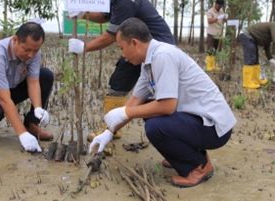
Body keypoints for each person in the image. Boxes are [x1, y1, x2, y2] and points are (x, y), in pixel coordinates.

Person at [89, 17, 237, 188]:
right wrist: (109, 131)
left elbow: (167, 106)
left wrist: (125, 113)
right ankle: (183, 155)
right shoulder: (148, 64)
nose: (122, 55)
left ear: (134, 43)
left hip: (215, 127)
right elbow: (135, 102)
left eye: (122, 48)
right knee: (149, 115)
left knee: (155, 126)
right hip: (198, 120)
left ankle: (200, 167)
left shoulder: (163, 56)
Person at [68, 0, 175, 114]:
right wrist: (84, 14)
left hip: (158, 47)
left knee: (151, 91)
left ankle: (112, 126)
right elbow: (105, 17)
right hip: (139, 45)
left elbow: (111, 36)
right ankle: (112, 126)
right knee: (120, 81)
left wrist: (84, 47)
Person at [0, 22, 54, 152]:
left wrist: (38, 108)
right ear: (15, 40)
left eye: (35, 50)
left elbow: (33, 82)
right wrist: (22, 135)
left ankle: (32, 124)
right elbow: (4, 100)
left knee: (45, 76)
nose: (31, 55)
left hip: (10, 86)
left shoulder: (34, 52)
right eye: (27, 50)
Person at [238, 22, 275, 89]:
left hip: (252, 39)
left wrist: (270, 58)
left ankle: (255, 80)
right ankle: (247, 82)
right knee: (251, 59)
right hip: (246, 35)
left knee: (255, 59)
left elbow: (267, 46)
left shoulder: (270, 35)